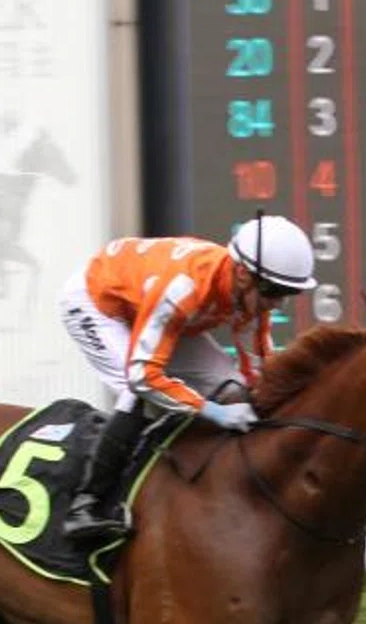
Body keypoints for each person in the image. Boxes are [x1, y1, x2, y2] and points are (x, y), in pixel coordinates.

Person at [57, 213, 317, 544]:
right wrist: (212, 411)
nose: (277, 302)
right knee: (137, 395)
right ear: (241, 273)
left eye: (286, 293)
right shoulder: (185, 288)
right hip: (99, 305)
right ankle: (86, 505)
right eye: (273, 291)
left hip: (152, 309)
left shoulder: (252, 293)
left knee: (231, 385)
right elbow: (144, 377)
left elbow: (261, 373)